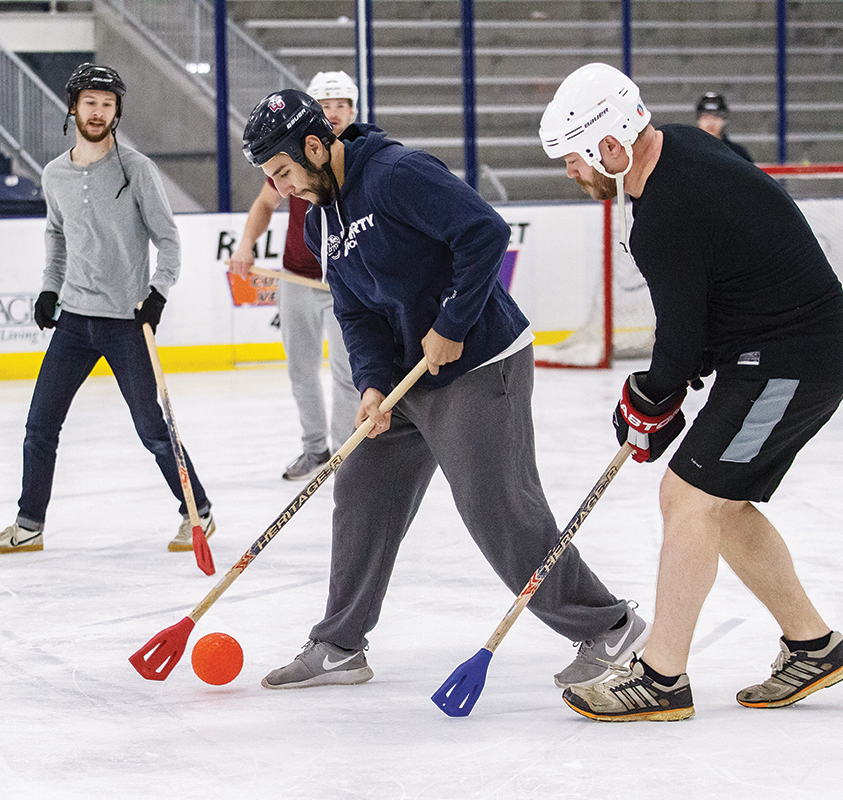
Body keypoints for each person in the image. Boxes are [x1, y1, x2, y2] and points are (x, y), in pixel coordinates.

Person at [241, 89, 649, 691]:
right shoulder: (320, 211)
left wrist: (451, 324)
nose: (281, 189)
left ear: (314, 146)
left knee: (496, 508)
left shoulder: (396, 174)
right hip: (409, 378)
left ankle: (611, 627)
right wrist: (374, 386)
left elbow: (484, 232)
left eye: (283, 172)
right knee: (362, 494)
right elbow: (355, 311)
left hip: (480, 363)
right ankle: (339, 645)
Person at [540, 63, 843, 721]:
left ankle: (661, 677)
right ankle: (814, 645)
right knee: (715, 502)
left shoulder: (665, 212)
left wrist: (649, 397)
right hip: (774, 353)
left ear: (609, 146)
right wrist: (656, 395)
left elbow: (678, 343)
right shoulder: (678, 152)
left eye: (573, 158)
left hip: (792, 360)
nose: (571, 171)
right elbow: (706, 312)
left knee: (692, 499)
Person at [0, 63, 214, 556]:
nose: (98, 111)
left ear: (116, 112)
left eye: (107, 104)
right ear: (73, 107)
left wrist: (159, 292)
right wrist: (48, 289)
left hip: (126, 322)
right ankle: (29, 523)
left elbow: (168, 241)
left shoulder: (137, 169)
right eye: (90, 102)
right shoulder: (54, 173)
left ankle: (198, 512)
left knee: (152, 429)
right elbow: (56, 236)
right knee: (40, 425)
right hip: (75, 321)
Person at [228, 72, 361, 480]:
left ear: (354, 111)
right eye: (326, 104)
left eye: (342, 104)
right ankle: (315, 448)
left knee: (346, 372)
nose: (334, 111)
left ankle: (343, 454)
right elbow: (265, 204)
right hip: (296, 279)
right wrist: (246, 244)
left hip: (343, 283)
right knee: (300, 369)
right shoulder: (289, 160)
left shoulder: (354, 157)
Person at [695, 92, 753, 162]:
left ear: (724, 121)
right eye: (705, 117)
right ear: (698, 120)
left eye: (716, 117)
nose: (710, 122)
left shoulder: (737, 152)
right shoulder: (689, 151)